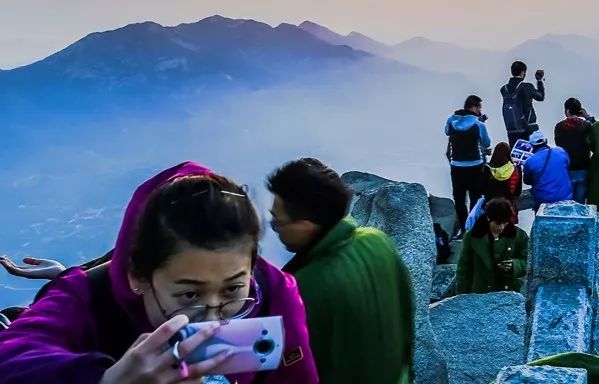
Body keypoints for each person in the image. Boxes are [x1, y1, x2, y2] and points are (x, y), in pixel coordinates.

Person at [0, 162, 318, 384]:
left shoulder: (273, 291)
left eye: (233, 290)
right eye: (189, 294)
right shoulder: (87, 297)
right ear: (137, 276)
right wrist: (102, 379)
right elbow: (10, 357)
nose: (212, 319)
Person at [267, 158, 414, 384]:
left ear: (305, 225)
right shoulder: (379, 242)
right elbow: (407, 318)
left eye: (278, 222)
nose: (275, 228)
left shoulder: (304, 287)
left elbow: (293, 370)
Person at [456, 198, 529, 295]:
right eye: (498, 223)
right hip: (480, 293)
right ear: (489, 218)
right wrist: (461, 295)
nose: (502, 227)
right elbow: (464, 269)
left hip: (508, 293)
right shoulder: (473, 237)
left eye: (505, 222)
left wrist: (515, 265)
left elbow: (529, 262)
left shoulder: (520, 236)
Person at [446, 94, 492, 239]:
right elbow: (487, 143)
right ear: (475, 107)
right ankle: (472, 228)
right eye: (479, 108)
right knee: (475, 197)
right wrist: (481, 122)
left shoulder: (451, 120)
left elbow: (447, 132)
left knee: (459, 199)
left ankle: (463, 229)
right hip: (475, 165)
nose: (480, 111)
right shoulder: (478, 124)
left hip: (456, 165)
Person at [521, 132, 573, 212]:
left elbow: (527, 181)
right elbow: (567, 165)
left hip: (544, 200)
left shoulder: (530, 161)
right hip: (565, 196)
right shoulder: (561, 151)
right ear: (546, 141)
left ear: (532, 145)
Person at [554, 98, 593, 203]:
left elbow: (558, 144)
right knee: (580, 204)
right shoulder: (587, 125)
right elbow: (597, 132)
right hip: (583, 168)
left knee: (567, 204)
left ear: (567, 111)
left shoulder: (559, 127)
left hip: (567, 169)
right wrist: (588, 117)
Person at [501, 61, 546, 145]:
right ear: (523, 72)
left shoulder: (504, 89)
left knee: (515, 155)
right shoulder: (527, 87)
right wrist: (539, 80)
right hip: (528, 128)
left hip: (512, 130)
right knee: (530, 155)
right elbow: (540, 97)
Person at [483, 142, 523, 222]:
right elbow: (518, 192)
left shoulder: (487, 169)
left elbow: (482, 189)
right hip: (508, 207)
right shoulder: (516, 169)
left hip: (491, 207)